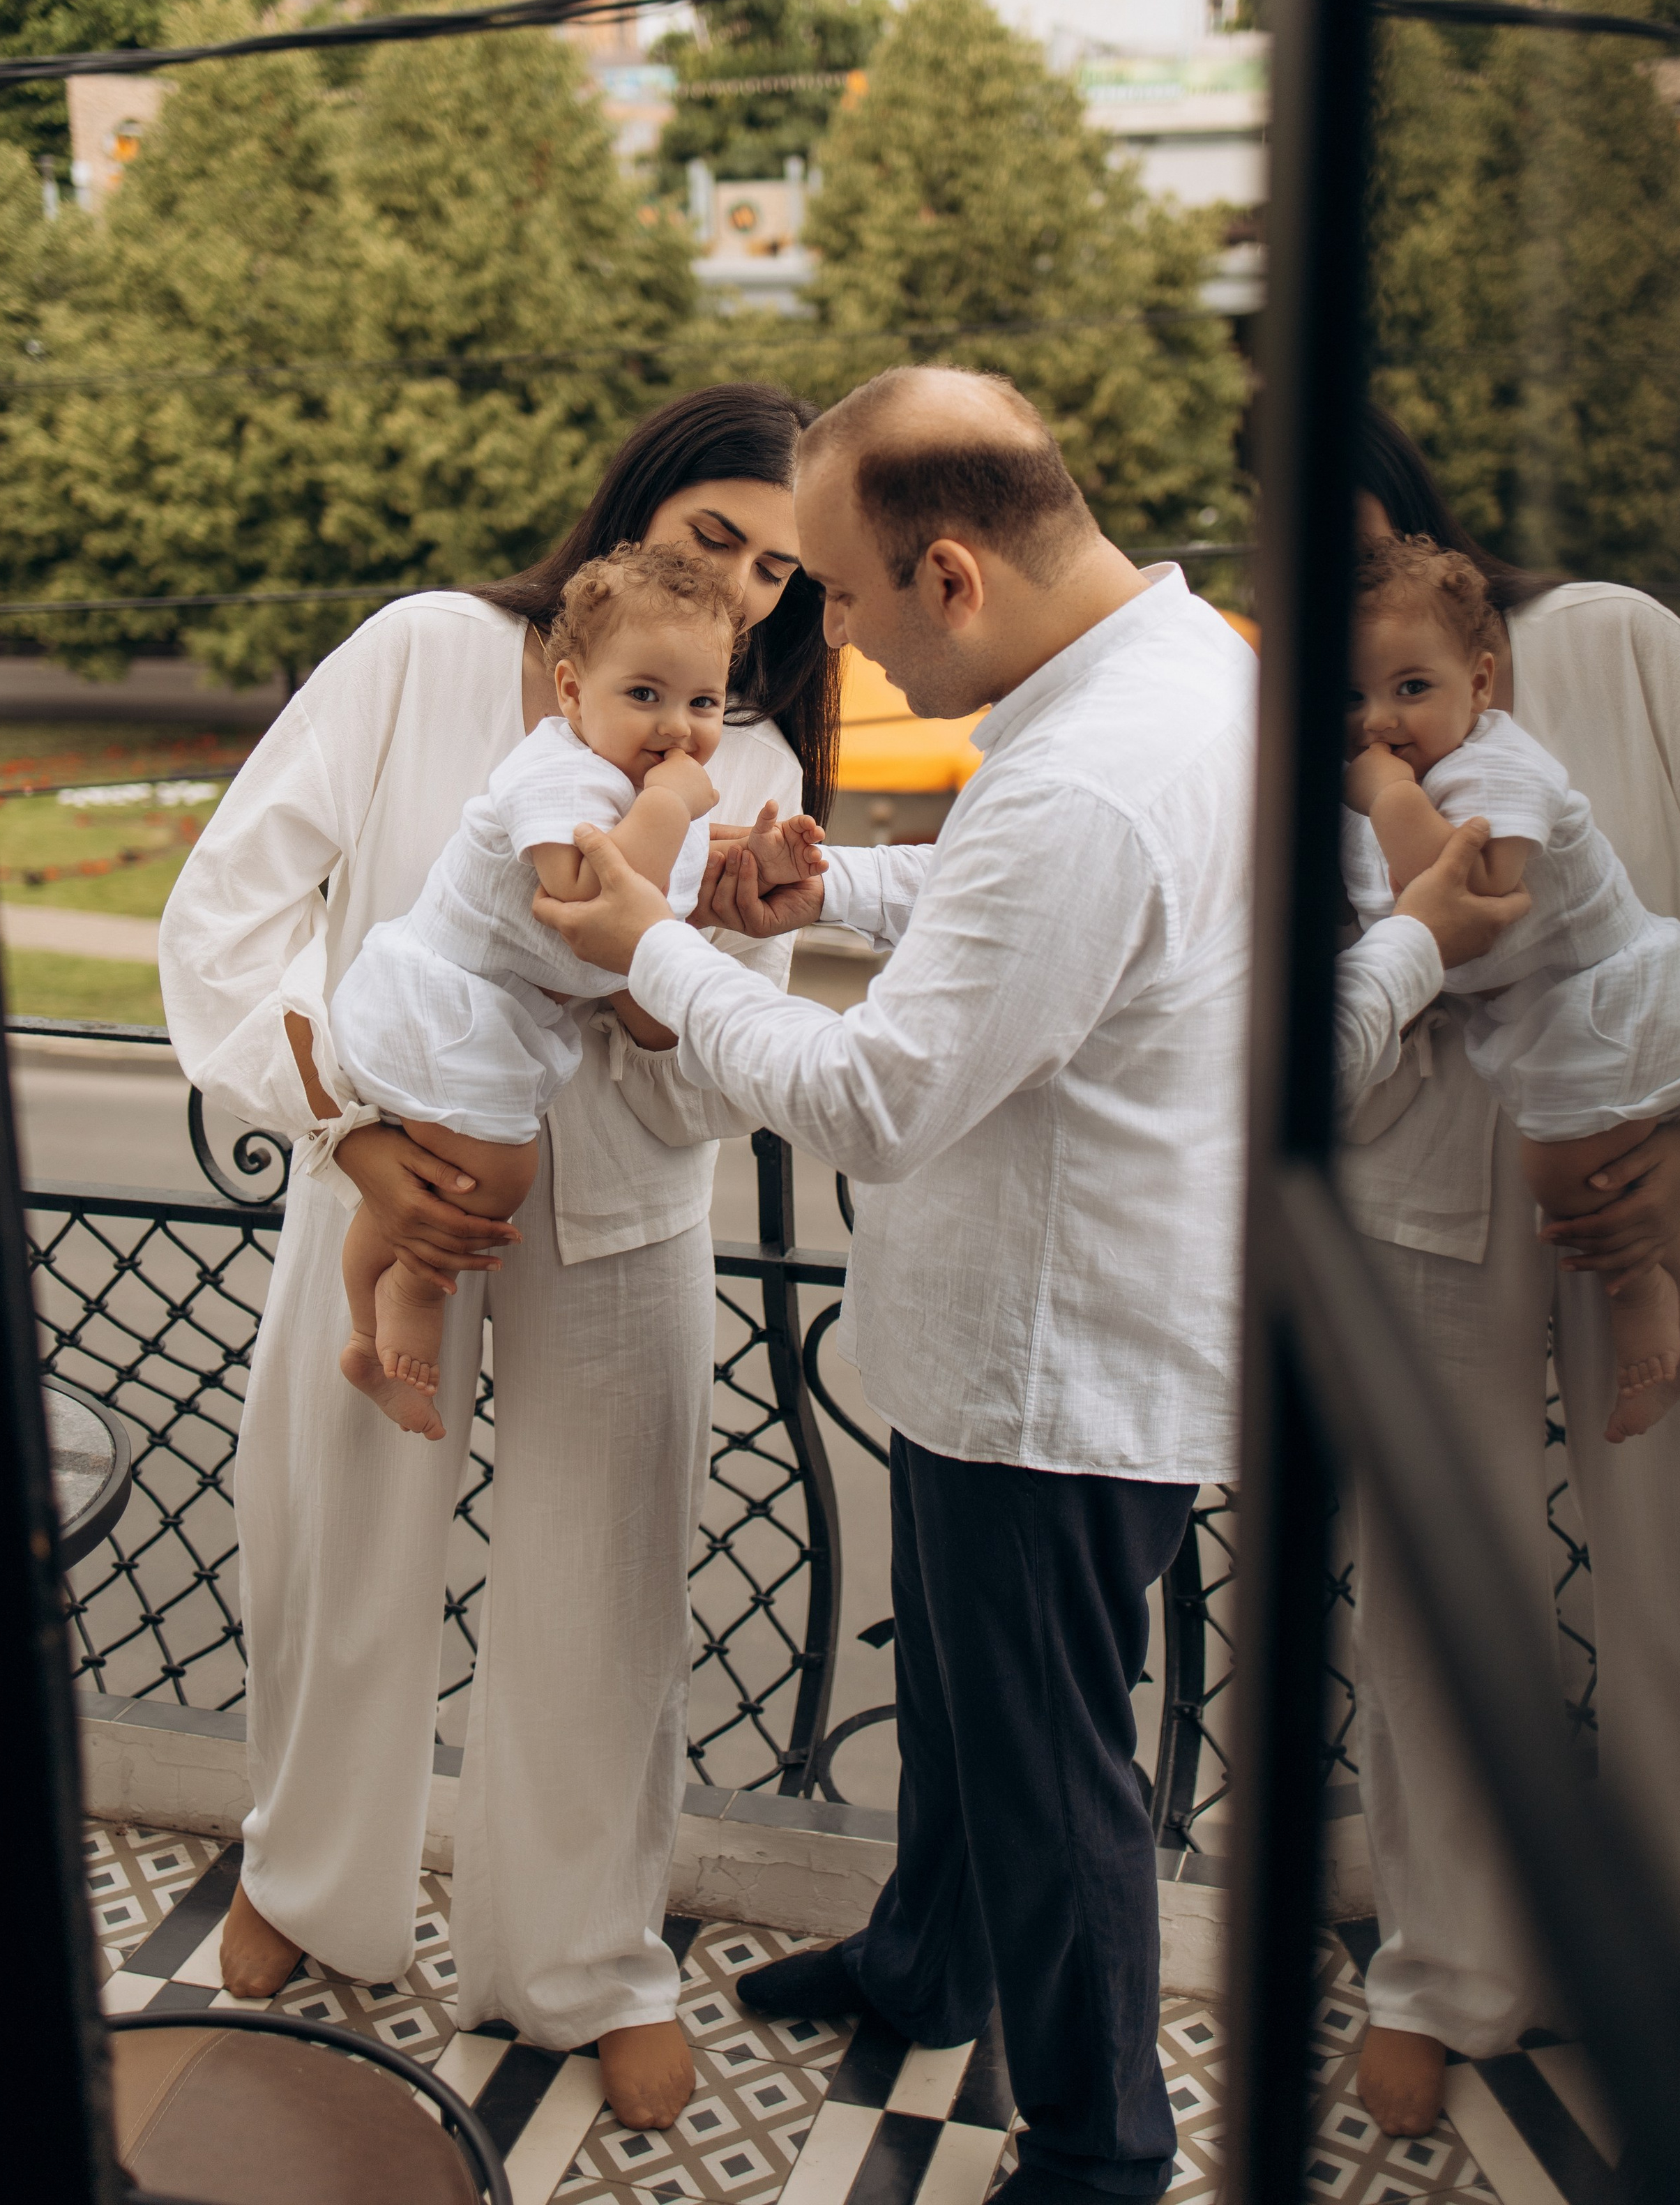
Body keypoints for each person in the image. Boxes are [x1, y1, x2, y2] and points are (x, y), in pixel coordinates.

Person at [529, 364, 1255, 2204]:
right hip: (1015, 1338)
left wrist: (658, 952)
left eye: (837, 594)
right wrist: (829, 891)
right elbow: (1040, 931)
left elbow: (882, 1098)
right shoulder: (1173, 681)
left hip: (1049, 1368)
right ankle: (930, 1961)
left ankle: (1097, 2151)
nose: (820, 635)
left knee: (1048, 1769)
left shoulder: (1091, 771)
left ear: (947, 576)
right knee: (959, 1700)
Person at [158, 384, 836, 2130]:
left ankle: (585, 1953)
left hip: (622, 1218)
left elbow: (723, 1048)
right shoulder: (427, 651)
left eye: (779, 567)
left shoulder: (745, 760)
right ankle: (303, 1877)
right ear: (637, 505)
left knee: (602, 1595)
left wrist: (695, 970)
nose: (747, 593)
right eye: (717, 540)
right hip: (377, 1161)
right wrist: (355, 1134)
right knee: (334, 1536)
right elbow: (228, 907)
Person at [1341, 409, 1680, 2136]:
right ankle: (1439, 1965)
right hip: (1419, 1191)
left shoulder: (1612, 641)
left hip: (1638, 1156)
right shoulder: (1318, 727)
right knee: (1435, 1591)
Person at [331, 545, 739, 1429]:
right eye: (645, 695)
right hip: (445, 1006)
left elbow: (665, 906)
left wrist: (742, 857)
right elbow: (587, 899)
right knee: (496, 1175)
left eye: (702, 703)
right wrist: (672, 803)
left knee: (435, 1187)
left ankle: (368, 1332)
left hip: (493, 1016)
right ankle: (411, 1288)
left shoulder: (638, 783)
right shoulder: (562, 774)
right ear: (569, 693)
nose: (677, 726)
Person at [1344, 535, 1680, 1436]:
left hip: (1611, 1007)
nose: (1378, 722)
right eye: (1351, 697)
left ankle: (1657, 1314)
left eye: (1410, 689)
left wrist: (1389, 798)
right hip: (1540, 1041)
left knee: (1569, 1183)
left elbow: (1473, 893)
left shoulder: (1495, 764)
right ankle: (1673, 1313)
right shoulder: (1377, 778)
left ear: (1479, 681)